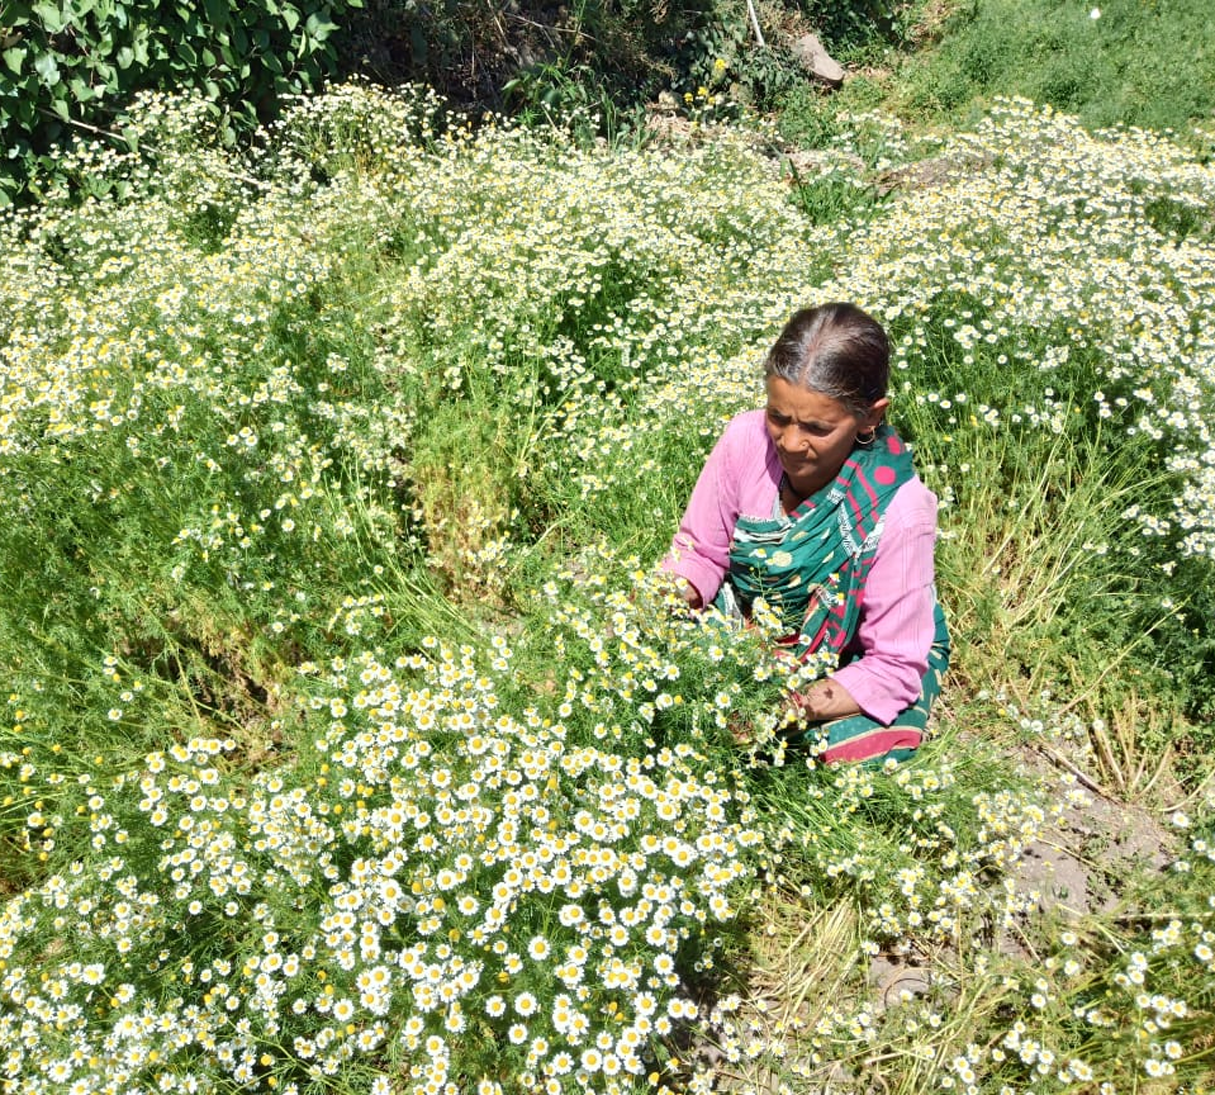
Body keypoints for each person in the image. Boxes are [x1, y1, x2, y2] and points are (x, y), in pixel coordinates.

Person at [663, 302, 949, 765]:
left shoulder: (899, 510)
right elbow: (699, 554)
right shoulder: (744, 440)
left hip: (849, 656)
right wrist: (649, 616)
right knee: (663, 679)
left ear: (870, 417)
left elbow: (893, 665)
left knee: (858, 748)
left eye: (817, 428)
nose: (791, 442)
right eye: (778, 417)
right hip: (751, 624)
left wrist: (781, 709)